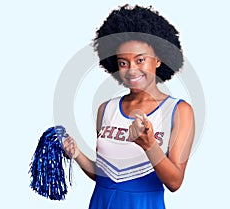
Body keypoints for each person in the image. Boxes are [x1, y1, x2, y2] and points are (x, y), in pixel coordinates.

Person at [63, 4, 195, 209]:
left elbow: (175, 182)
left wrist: (149, 145)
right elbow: (106, 174)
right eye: (123, 63)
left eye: (140, 60)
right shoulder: (106, 109)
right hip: (101, 202)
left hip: (143, 204)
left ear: (158, 59)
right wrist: (76, 154)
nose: (131, 70)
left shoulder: (178, 111)